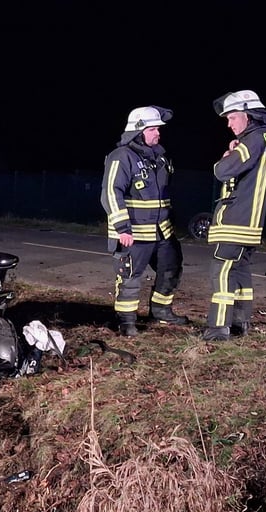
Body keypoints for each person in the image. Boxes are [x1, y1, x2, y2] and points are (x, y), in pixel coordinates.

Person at [101, 106, 188, 338]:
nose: (158, 133)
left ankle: (161, 311)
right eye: (153, 129)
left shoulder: (159, 156)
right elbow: (111, 192)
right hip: (134, 234)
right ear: (139, 130)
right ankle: (127, 322)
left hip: (162, 233)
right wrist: (122, 228)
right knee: (130, 277)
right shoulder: (121, 157)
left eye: (158, 128)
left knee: (171, 269)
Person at [202, 90, 266, 341]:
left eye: (232, 117)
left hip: (234, 221)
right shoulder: (265, 138)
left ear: (248, 114)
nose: (229, 123)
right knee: (241, 274)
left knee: (221, 272)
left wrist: (225, 157)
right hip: (251, 223)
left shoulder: (253, 140)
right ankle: (239, 324)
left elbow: (223, 171)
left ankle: (217, 329)